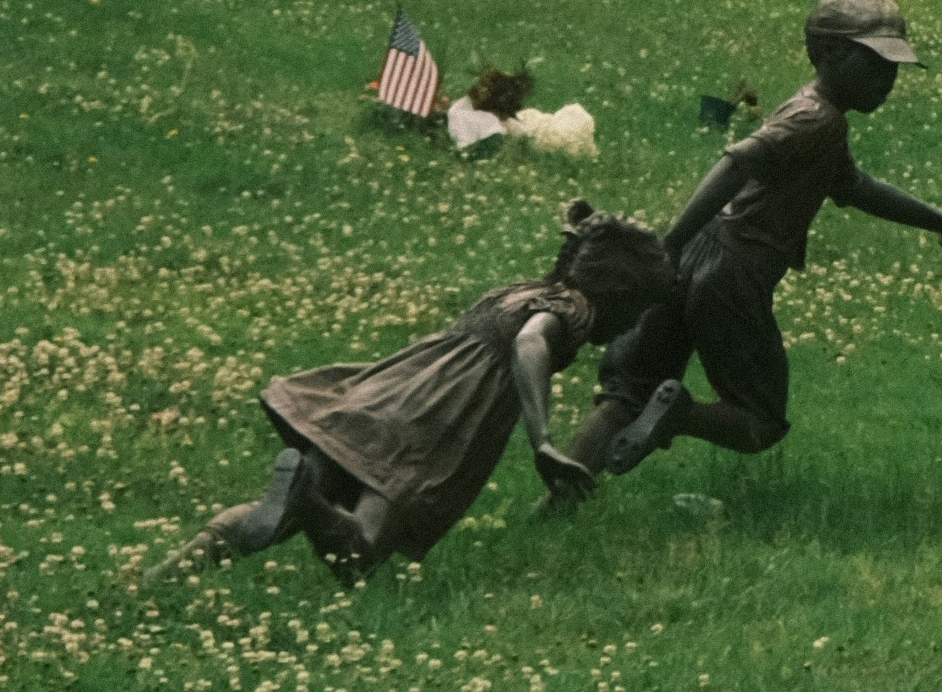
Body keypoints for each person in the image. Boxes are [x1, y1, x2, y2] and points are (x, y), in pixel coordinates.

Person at [576, 0, 942, 477]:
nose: (888, 78)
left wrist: (939, 220)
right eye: (875, 62)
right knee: (758, 419)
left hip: (698, 258)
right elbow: (736, 160)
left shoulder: (813, 113)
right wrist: (671, 242)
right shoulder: (815, 119)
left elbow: (853, 186)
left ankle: (563, 490)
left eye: (894, 66)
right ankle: (679, 416)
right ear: (828, 54)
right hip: (732, 273)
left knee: (630, 393)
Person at [209, 204, 675, 573]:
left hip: (385, 394)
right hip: (431, 420)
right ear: (619, 295)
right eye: (634, 316)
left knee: (267, 521)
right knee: (361, 554)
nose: (627, 330)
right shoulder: (575, 310)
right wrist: (543, 442)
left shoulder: (529, 288)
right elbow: (530, 343)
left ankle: (158, 580)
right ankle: (303, 497)